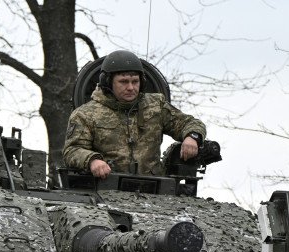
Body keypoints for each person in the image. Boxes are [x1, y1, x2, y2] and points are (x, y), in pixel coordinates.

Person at [63, 50, 206, 178]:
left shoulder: (156, 106)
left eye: (135, 81)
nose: (131, 87)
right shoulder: (86, 114)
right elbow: (72, 150)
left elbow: (190, 123)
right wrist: (92, 160)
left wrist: (192, 137)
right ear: (107, 82)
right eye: (123, 82)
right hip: (105, 187)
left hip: (154, 190)